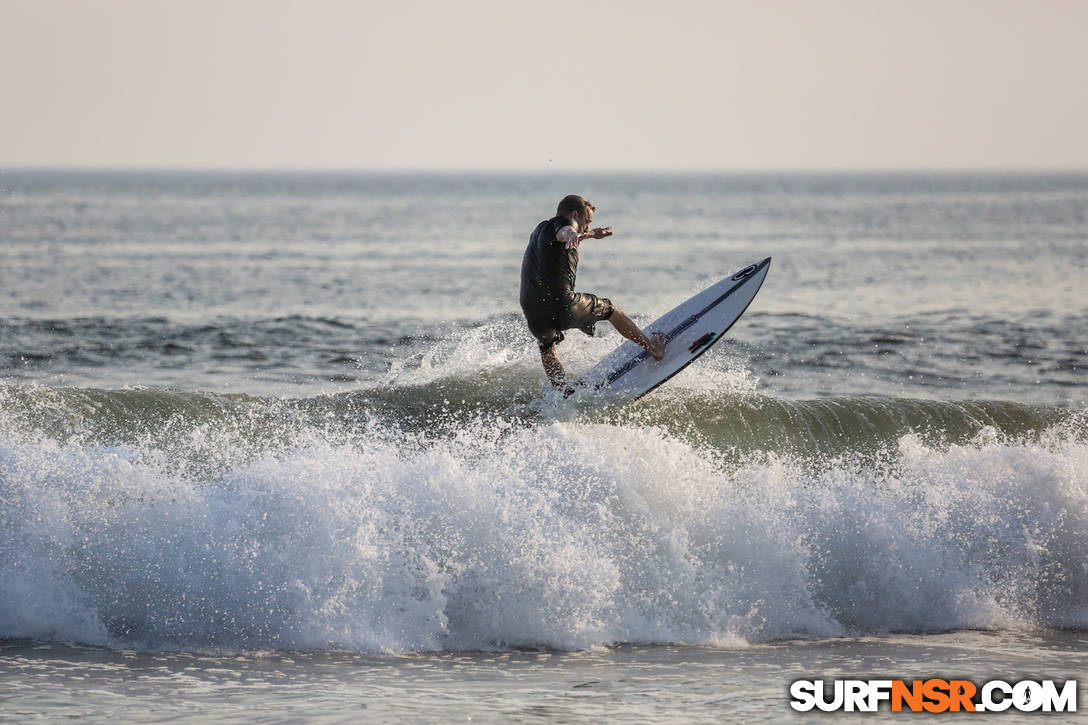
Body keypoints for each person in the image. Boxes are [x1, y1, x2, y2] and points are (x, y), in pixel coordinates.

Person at [520, 194, 665, 389]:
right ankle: (654, 348)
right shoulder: (567, 223)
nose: (587, 227)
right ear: (575, 214)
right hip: (561, 305)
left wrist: (584, 236)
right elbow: (566, 232)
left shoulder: (540, 230)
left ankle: (562, 391)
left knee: (546, 345)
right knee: (609, 309)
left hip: (533, 312)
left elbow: (562, 237)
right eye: (586, 221)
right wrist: (576, 234)